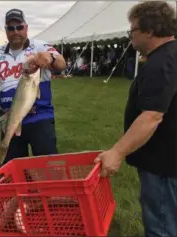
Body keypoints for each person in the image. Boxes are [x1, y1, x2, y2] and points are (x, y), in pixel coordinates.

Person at [94, 1, 177, 236]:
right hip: (169, 160)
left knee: (161, 225)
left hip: (162, 163)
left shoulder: (161, 63)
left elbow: (151, 116)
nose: (130, 36)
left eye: (132, 31)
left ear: (149, 30)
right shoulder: (170, 56)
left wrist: (117, 152)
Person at [0, 8, 66, 164]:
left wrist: (51, 57)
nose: (15, 31)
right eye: (10, 28)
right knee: (13, 169)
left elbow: (61, 64)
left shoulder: (40, 46)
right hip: (9, 119)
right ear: (6, 30)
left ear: (26, 28)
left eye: (19, 27)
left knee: (48, 167)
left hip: (40, 117)